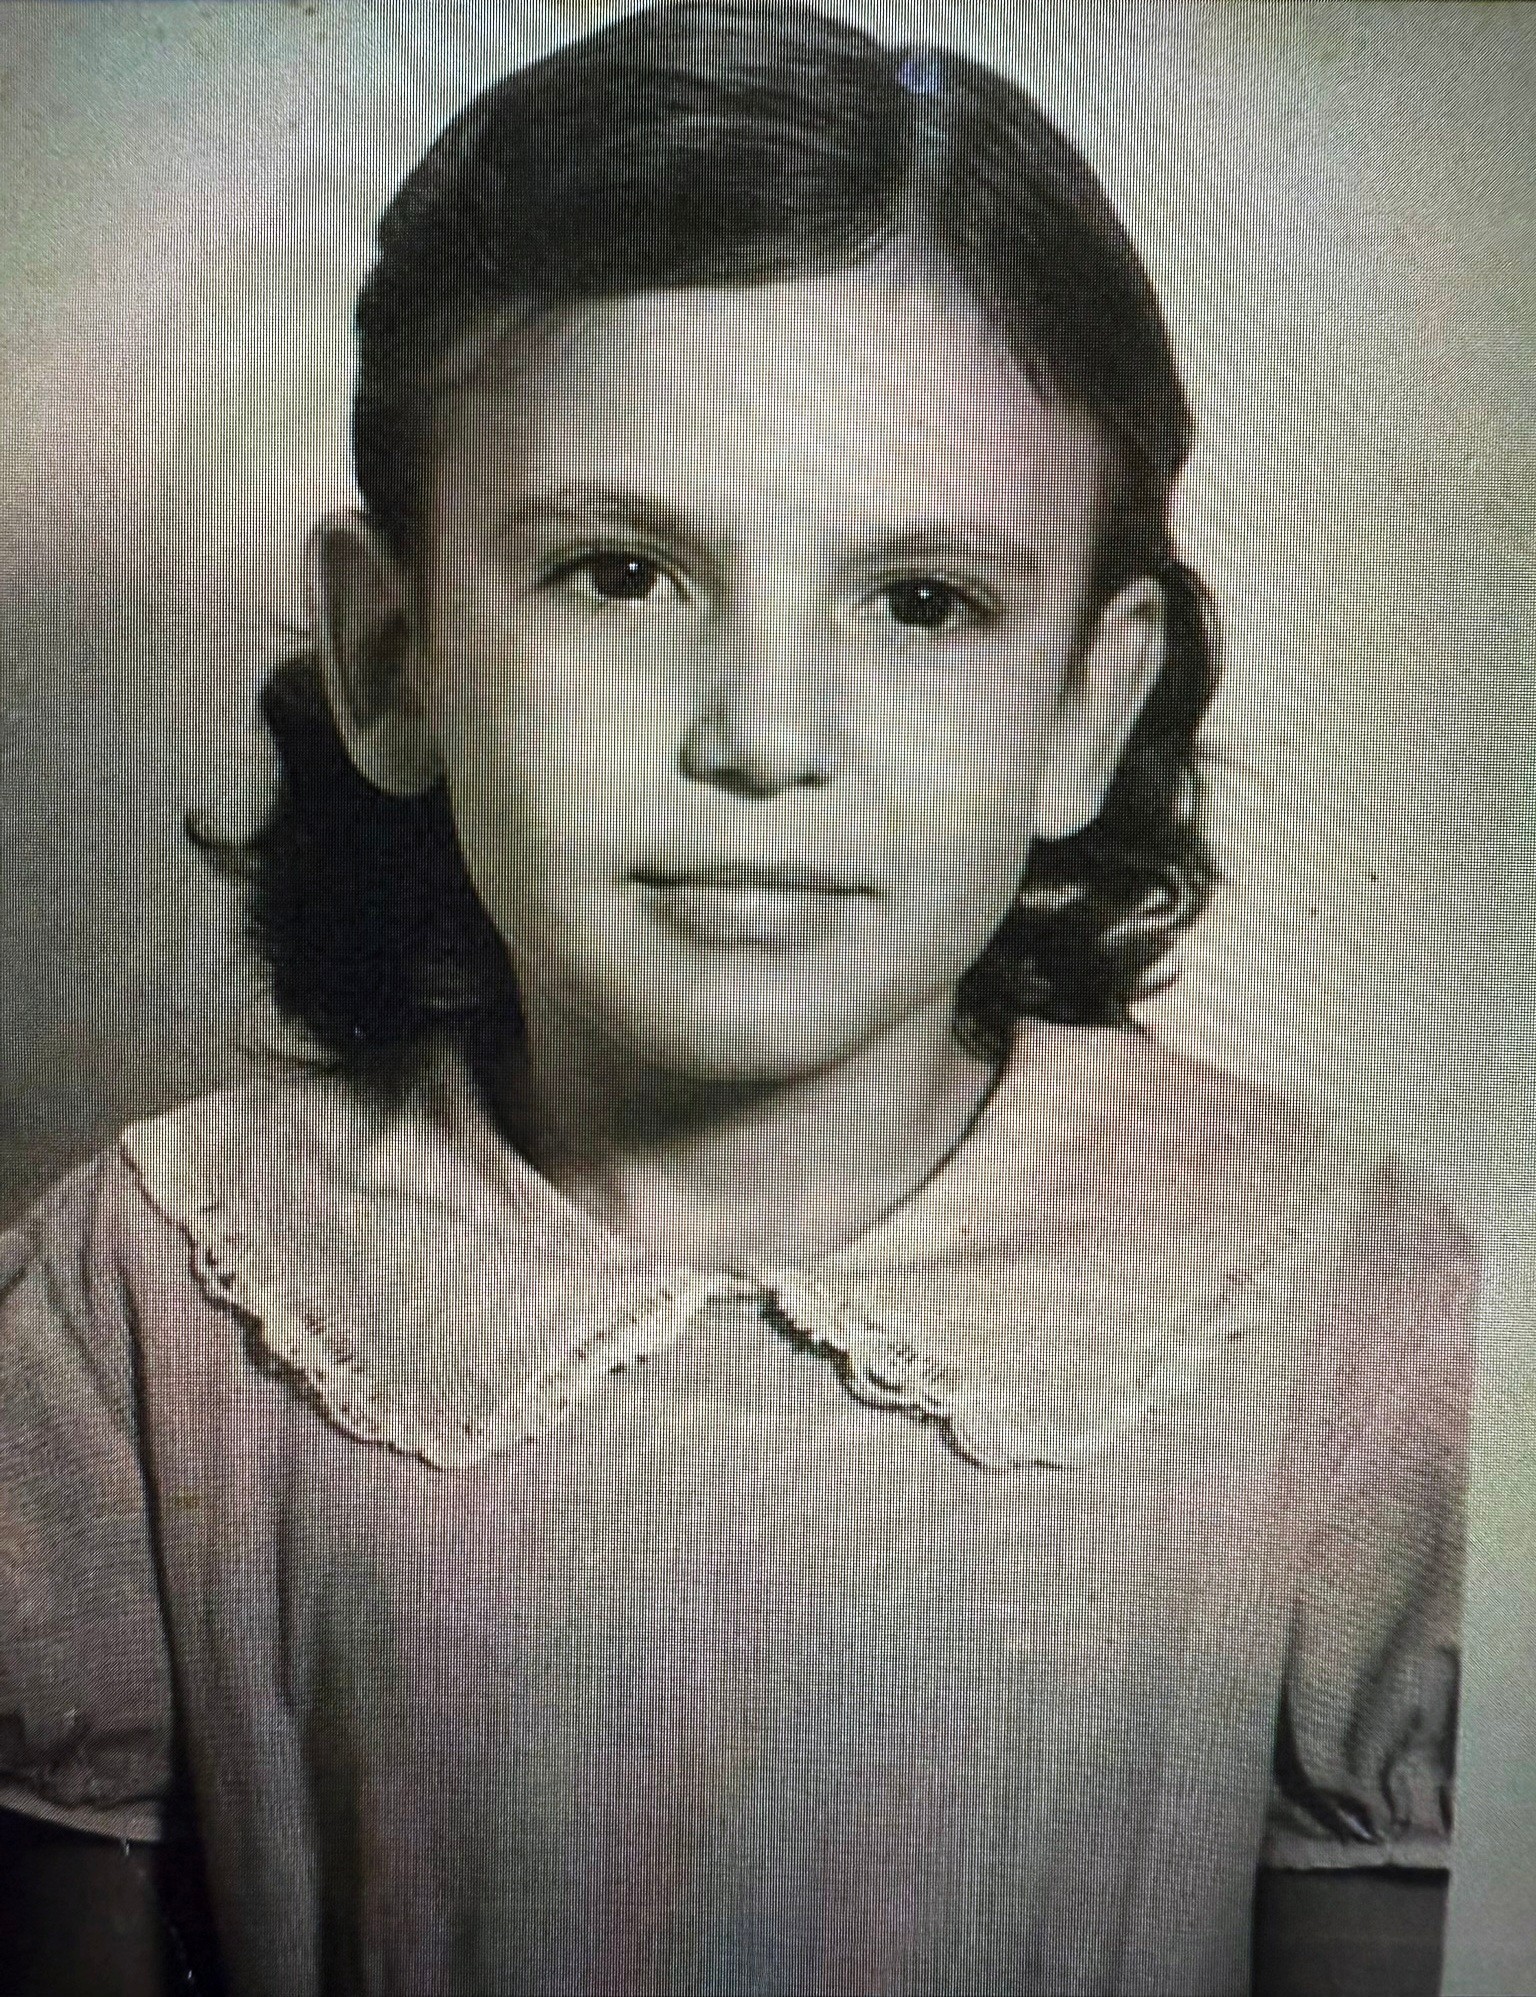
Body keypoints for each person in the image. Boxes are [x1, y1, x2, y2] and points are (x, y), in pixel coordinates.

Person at [0, 6, 1475, 1994]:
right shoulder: (145, 1298)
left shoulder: (1345, 1316)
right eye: (620, 574)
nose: (766, 737)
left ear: (1085, 704)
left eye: (924, 602)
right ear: (394, 656)